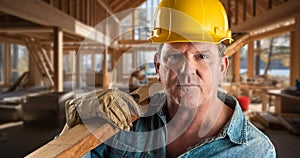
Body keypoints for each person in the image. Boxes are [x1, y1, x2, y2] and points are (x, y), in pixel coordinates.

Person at [61, 0, 276, 157]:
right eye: (174, 56)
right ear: (158, 67)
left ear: (222, 67)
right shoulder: (125, 124)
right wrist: (78, 122)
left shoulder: (255, 151)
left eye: (201, 56)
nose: (187, 69)